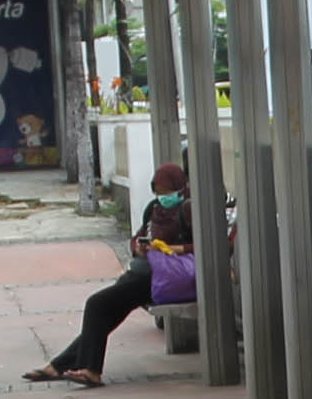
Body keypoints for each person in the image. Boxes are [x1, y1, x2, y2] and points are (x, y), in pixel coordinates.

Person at [25, 163, 195, 386]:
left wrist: (172, 249)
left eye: (166, 191)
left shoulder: (188, 209)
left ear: (179, 187)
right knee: (106, 312)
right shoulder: (154, 209)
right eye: (158, 191)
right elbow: (138, 237)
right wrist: (140, 247)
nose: (162, 197)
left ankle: (84, 369)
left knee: (97, 305)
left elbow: (204, 245)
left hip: (167, 279)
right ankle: (62, 366)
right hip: (145, 275)